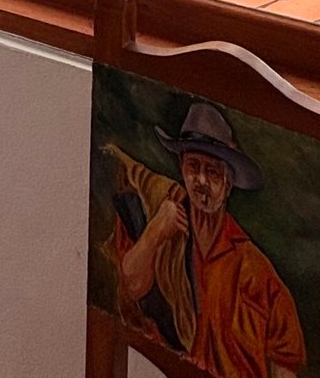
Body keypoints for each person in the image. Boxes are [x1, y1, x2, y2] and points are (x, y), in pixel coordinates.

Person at [104, 102, 305, 378]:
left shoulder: (256, 272)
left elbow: (285, 364)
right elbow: (131, 284)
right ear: (181, 167)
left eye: (212, 171)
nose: (200, 180)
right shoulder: (166, 224)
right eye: (193, 166)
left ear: (228, 183)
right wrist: (156, 231)